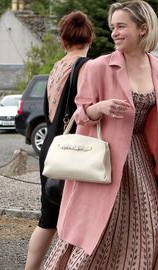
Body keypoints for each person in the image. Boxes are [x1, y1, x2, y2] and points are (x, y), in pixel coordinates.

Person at [44, 1, 158, 269]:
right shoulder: (98, 66)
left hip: (140, 162)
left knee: (146, 229)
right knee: (96, 233)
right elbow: (78, 115)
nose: (114, 33)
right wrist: (98, 109)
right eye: (113, 27)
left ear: (143, 29)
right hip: (103, 161)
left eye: (121, 26)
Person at [24, 10, 93, 270]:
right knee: (79, 220)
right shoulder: (87, 67)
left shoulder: (55, 68)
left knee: (48, 219)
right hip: (75, 151)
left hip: (52, 149)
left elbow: (50, 112)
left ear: (63, 41)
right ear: (90, 38)